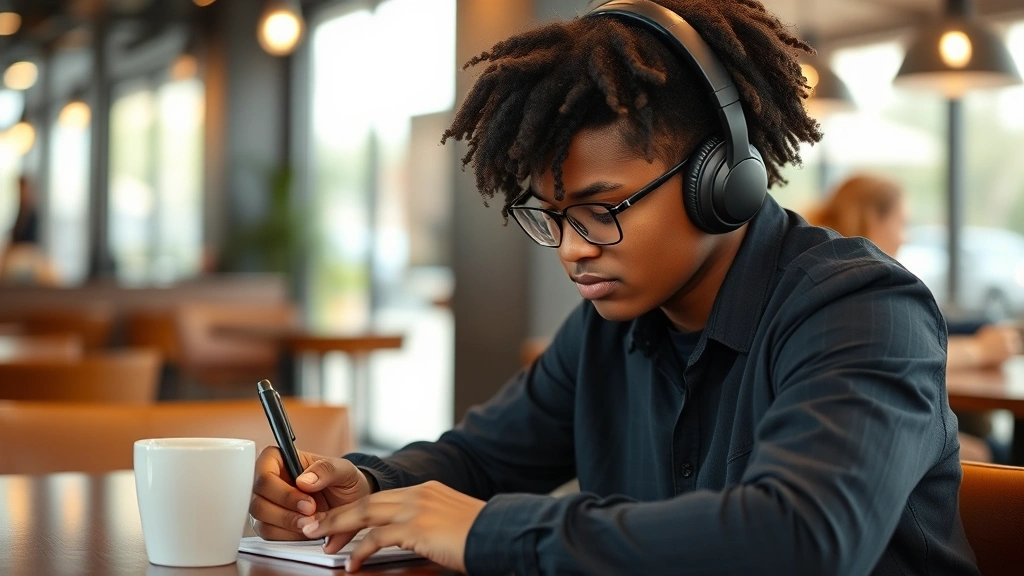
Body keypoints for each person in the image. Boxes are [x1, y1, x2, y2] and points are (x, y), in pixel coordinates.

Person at [249, 1, 979, 574]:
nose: (571, 250)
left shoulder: (861, 308)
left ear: (719, 180)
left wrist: (490, 530)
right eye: (554, 218)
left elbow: (804, 538)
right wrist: (371, 484)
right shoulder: (611, 324)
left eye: (601, 211)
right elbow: (479, 459)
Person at [810, 173, 1023, 463]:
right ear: (873, 219)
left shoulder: (828, 267)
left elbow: (923, 331)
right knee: (996, 454)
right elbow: (900, 352)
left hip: (861, 430)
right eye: (902, 223)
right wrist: (980, 350)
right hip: (870, 437)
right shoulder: (859, 283)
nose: (906, 236)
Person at [0, 176, 58, 286]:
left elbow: (30, 238)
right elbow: (15, 234)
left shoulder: (32, 212)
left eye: (23, 189)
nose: (21, 192)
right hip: (19, 251)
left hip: (27, 251)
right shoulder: (21, 210)